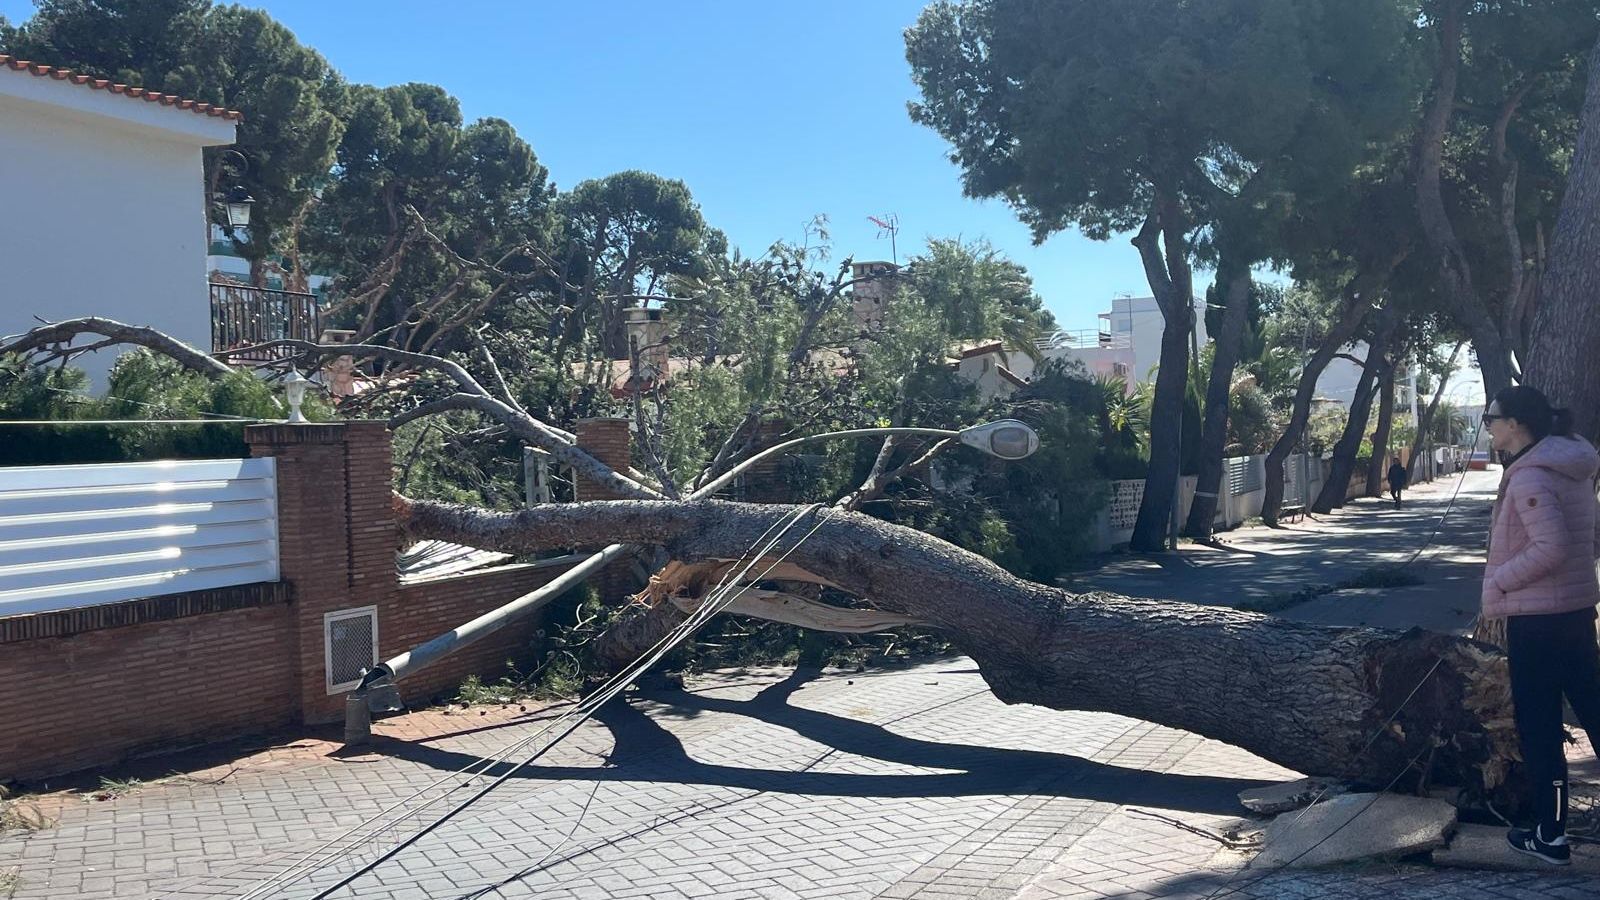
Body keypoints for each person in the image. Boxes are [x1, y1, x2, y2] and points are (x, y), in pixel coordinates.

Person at [1481, 384, 1600, 865]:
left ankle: (1550, 835)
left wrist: (1499, 583)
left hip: (1537, 623)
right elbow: (1590, 541)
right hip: (1574, 614)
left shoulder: (1529, 477)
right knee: (1594, 711)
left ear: (1516, 424)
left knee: (1541, 730)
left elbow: (1550, 549)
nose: (1486, 425)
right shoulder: (1571, 466)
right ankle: (1549, 831)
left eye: (1492, 417)